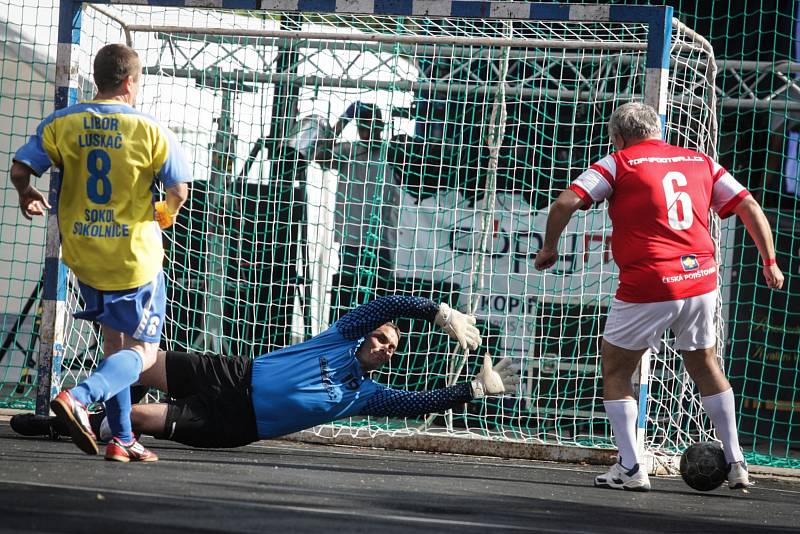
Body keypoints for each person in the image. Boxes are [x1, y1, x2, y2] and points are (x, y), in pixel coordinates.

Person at [533, 102, 784, 492]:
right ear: (657, 130)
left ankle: (631, 468)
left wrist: (549, 248)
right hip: (701, 279)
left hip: (649, 283)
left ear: (618, 136)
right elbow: (749, 205)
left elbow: (565, 202)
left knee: (616, 372)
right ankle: (736, 462)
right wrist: (769, 261)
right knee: (705, 364)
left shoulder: (619, 162)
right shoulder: (699, 160)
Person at [11, 295, 519, 448]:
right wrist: (439, 314)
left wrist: (473, 388)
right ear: (368, 336)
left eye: (393, 348)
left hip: (236, 424)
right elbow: (384, 304)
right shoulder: (341, 338)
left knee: (141, 419)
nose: (386, 348)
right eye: (383, 338)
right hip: (233, 373)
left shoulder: (362, 394)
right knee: (144, 359)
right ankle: (75, 402)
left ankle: (62, 425)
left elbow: (418, 403)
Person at [10, 43, 192, 462]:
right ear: (130, 82)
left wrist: (26, 194)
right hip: (134, 259)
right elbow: (179, 191)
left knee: (115, 348)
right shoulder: (150, 129)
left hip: (85, 257)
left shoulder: (64, 121)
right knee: (143, 354)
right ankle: (79, 397)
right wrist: (165, 213)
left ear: (97, 80)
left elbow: (21, 169)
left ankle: (122, 438)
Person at [323, 102, 401, 318]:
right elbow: (318, 152)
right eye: (364, 127)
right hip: (352, 240)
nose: (369, 132)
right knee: (346, 298)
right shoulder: (350, 151)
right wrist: (342, 121)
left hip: (383, 241)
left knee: (381, 299)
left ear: (381, 127)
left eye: (373, 127)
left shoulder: (392, 153)